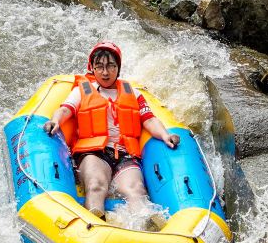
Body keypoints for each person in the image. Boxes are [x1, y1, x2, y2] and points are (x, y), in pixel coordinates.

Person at [45, 41, 180, 219]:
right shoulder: (82, 91)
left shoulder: (134, 94)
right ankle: (94, 226)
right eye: (99, 66)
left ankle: (147, 228)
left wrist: (165, 135)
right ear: (92, 68)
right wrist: (55, 121)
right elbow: (65, 110)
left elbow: (149, 119)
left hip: (124, 155)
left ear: (118, 67)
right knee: (96, 185)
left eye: (111, 66)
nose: (105, 72)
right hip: (94, 153)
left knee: (136, 190)